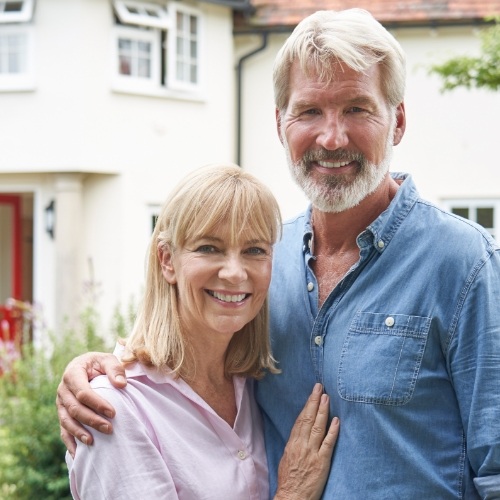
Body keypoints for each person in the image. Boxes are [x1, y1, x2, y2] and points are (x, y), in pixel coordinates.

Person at [57, 8, 500, 498]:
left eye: (357, 108)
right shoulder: (264, 266)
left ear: (397, 121)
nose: (332, 137)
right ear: (280, 124)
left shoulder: (466, 264)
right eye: (310, 111)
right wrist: (95, 371)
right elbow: (186, 365)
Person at [64, 164, 339, 499]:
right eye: (209, 248)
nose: (235, 273)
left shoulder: (257, 384)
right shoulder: (114, 408)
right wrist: (293, 494)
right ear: (167, 260)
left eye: (254, 250)